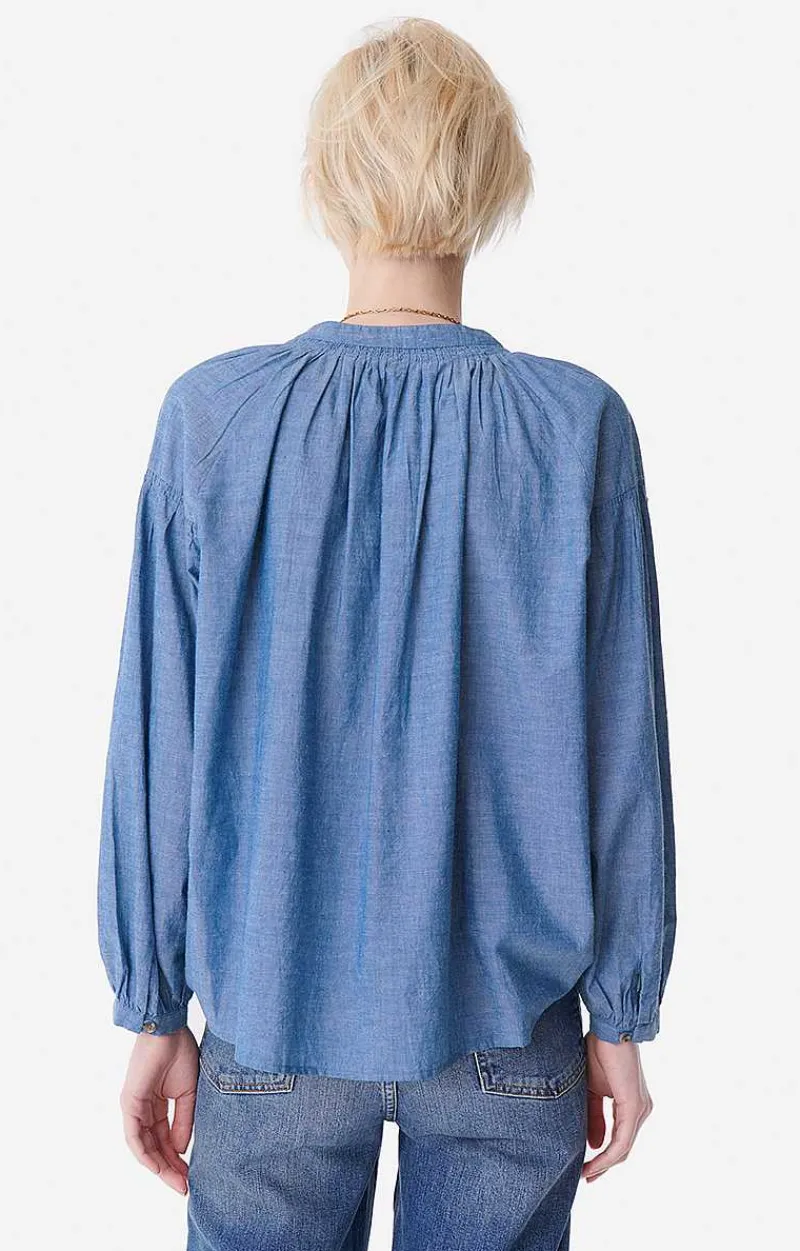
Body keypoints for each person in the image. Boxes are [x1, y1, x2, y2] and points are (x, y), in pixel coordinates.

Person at [97, 17, 676, 1251]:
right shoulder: (575, 428)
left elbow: (157, 737)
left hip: (271, 1021)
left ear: (325, 179)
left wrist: (152, 1007)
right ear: (494, 178)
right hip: (511, 1031)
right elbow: (621, 754)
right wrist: (621, 1019)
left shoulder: (213, 421)